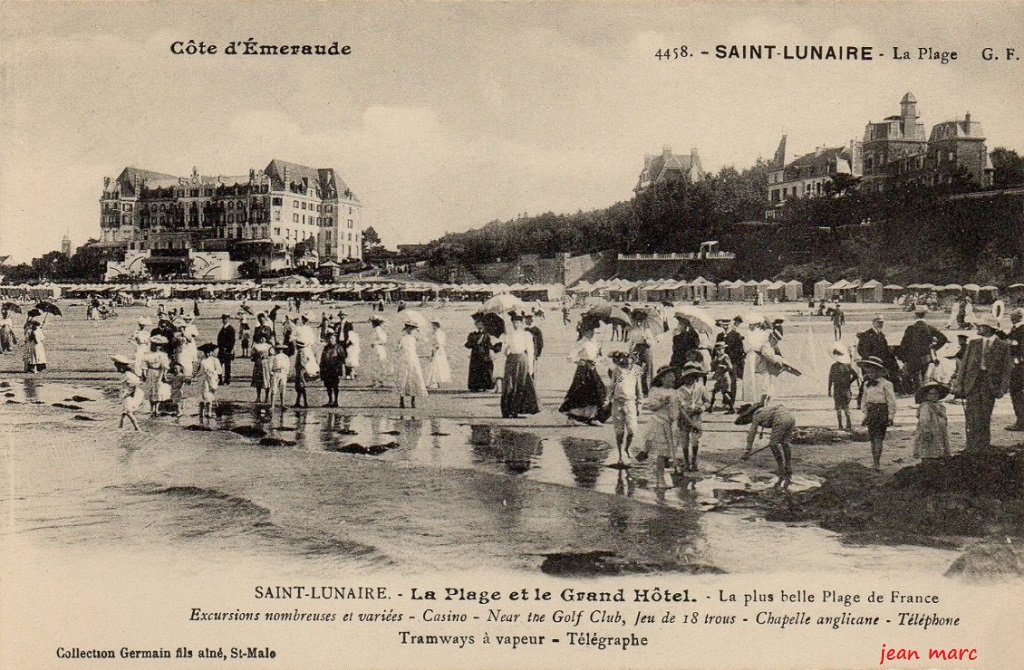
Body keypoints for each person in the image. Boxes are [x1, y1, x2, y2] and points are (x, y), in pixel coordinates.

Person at [951, 314, 1012, 450]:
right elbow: (964, 366)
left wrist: (1003, 388)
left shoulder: (1003, 346)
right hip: (972, 384)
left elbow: (1007, 369)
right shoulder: (973, 344)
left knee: (985, 416)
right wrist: (959, 384)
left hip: (990, 385)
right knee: (971, 415)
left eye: (981, 326)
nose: (978, 328)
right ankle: (971, 447)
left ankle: (983, 446)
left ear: (988, 328)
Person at [639, 367, 680, 488]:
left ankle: (645, 452)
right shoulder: (656, 390)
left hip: (670, 424)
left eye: (673, 376)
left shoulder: (674, 392)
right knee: (661, 453)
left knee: (667, 452)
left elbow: (678, 409)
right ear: (663, 378)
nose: (672, 378)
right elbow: (652, 407)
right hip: (659, 423)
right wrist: (663, 403)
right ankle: (660, 480)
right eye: (670, 376)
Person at [559, 322, 607, 424]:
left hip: (592, 369)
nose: (592, 333)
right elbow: (570, 357)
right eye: (590, 331)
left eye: (593, 331)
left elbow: (599, 358)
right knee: (580, 392)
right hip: (583, 370)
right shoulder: (581, 343)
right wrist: (581, 361)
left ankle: (592, 417)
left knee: (597, 391)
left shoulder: (595, 343)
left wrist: (598, 358)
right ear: (585, 332)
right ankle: (572, 417)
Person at [737, 401, 797, 478]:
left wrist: (747, 450)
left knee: (773, 444)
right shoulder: (763, 410)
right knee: (785, 443)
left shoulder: (756, 415)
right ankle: (788, 468)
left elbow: (752, 433)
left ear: (748, 414)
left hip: (780, 419)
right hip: (791, 417)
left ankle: (781, 468)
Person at [858, 355, 897, 469]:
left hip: (881, 411)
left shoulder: (886, 384)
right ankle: (874, 460)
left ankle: (877, 463)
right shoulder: (866, 384)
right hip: (871, 411)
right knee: (872, 438)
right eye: (867, 370)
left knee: (878, 438)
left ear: (879, 371)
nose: (869, 373)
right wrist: (865, 413)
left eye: (872, 370)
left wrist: (890, 416)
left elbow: (891, 401)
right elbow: (864, 400)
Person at [897, 305, 948, 393]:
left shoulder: (911, 329)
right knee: (925, 374)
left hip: (913, 357)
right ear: (924, 315)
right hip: (926, 356)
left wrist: (902, 357)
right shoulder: (930, 328)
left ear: (915, 315)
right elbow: (943, 339)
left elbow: (903, 344)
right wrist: (934, 348)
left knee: (912, 374)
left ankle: (915, 391)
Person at [500, 312, 539, 418]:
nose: (515, 324)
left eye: (517, 322)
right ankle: (506, 410)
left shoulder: (526, 335)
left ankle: (515, 410)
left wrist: (530, 367)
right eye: (514, 322)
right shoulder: (508, 334)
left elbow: (530, 351)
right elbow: (504, 350)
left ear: (521, 323)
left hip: (522, 360)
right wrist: (506, 348)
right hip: (511, 359)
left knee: (520, 385)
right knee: (508, 385)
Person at [607, 350, 642, 463]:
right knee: (619, 431)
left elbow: (639, 388)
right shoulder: (617, 370)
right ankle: (620, 454)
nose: (626, 360)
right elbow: (612, 385)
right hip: (618, 402)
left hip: (631, 402)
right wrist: (608, 398)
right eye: (624, 358)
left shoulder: (636, 370)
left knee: (632, 430)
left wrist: (640, 404)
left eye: (629, 358)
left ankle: (627, 448)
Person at [677, 362, 708, 472]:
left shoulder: (701, 388)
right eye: (687, 378)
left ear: (695, 378)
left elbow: (707, 402)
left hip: (696, 417)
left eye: (692, 377)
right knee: (684, 441)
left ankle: (694, 460)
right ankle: (686, 462)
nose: (689, 380)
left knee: (695, 440)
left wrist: (702, 408)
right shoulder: (680, 390)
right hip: (684, 418)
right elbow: (679, 407)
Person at [856, 314, 899, 386]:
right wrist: (871, 359)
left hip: (881, 362)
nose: (881, 324)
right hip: (870, 363)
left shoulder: (882, 335)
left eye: (882, 322)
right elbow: (861, 350)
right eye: (878, 322)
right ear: (873, 323)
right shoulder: (866, 335)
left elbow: (885, 349)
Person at [914, 380, 951, 460]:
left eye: (936, 394)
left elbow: (944, 418)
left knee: (939, 450)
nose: (934, 396)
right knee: (928, 451)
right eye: (931, 394)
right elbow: (924, 420)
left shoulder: (940, 407)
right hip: (930, 432)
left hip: (939, 432)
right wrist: (926, 431)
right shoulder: (926, 407)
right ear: (926, 395)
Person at [395, 319, 427, 409]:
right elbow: (397, 348)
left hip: (413, 358)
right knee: (403, 378)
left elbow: (424, 341)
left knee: (414, 377)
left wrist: (420, 332)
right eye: (411, 329)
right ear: (407, 328)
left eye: (414, 329)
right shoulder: (402, 338)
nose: (412, 331)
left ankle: (413, 400)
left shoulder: (414, 338)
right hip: (404, 359)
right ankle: (401, 400)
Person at [827, 344, 858, 431]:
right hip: (846, 389)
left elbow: (830, 378)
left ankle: (840, 425)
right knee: (846, 407)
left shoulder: (833, 367)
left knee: (838, 408)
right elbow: (856, 375)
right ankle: (849, 423)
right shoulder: (847, 366)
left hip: (837, 389)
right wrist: (849, 382)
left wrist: (829, 389)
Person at [628, 310, 658, 396]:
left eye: (641, 320)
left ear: (644, 320)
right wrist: (629, 352)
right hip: (637, 349)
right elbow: (631, 342)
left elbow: (652, 342)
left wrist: (646, 339)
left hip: (646, 349)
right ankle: (637, 389)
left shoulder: (647, 330)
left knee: (647, 370)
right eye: (637, 320)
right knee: (636, 369)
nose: (639, 322)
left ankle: (647, 389)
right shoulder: (633, 330)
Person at [465, 317, 497, 392]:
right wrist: (475, 343)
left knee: (485, 370)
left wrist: (490, 352)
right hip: (475, 355)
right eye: (478, 324)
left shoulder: (486, 334)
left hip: (484, 354)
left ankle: (486, 386)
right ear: (475, 325)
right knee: (475, 370)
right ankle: (475, 386)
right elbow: (468, 344)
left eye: (481, 324)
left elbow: (489, 345)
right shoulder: (472, 334)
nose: (480, 325)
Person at [142, 335, 170, 416]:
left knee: (158, 389)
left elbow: (164, 367)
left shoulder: (162, 355)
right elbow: (144, 365)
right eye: (153, 344)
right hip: (150, 372)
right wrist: (144, 374)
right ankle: (151, 408)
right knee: (151, 389)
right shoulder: (147, 354)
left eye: (157, 345)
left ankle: (156, 409)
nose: (154, 346)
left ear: (160, 346)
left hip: (159, 372)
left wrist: (163, 375)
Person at [113, 355, 143, 431]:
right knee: (125, 411)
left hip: (126, 396)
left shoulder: (127, 375)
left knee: (128, 412)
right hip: (125, 395)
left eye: (118, 368)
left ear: (122, 367)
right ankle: (120, 426)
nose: (117, 370)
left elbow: (136, 384)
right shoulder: (127, 374)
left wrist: (131, 392)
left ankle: (137, 428)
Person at [1006, 309, 1024, 432]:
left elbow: (1016, 347)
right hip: (1017, 364)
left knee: (1016, 392)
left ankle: (1021, 421)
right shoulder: (1015, 329)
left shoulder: (1020, 330)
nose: (1011, 317)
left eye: (1013, 316)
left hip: (1019, 366)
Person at [196, 344, 222, 419]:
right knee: (203, 396)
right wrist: (195, 376)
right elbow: (196, 371)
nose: (207, 354)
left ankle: (209, 412)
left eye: (209, 352)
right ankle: (201, 413)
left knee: (209, 396)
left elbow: (219, 371)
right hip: (202, 380)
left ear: (211, 352)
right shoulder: (201, 360)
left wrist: (212, 372)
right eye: (206, 352)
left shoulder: (215, 360)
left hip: (212, 380)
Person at [708, 342, 735, 413]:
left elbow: (730, 367)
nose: (718, 351)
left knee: (724, 393)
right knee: (714, 392)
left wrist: (723, 366)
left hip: (724, 377)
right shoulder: (716, 357)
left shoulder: (725, 356)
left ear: (723, 349)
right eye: (717, 350)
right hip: (719, 377)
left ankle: (732, 408)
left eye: (720, 349)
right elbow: (712, 367)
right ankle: (710, 407)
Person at [426, 321, 453, 389]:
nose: (432, 327)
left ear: (437, 326)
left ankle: (435, 382)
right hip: (435, 349)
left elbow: (440, 342)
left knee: (437, 365)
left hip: (439, 350)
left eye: (433, 325)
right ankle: (434, 382)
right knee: (434, 365)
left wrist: (436, 347)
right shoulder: (434, 333)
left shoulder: (440, 333)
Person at [320, 331, 343, 407]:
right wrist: (321, 367)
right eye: (329, 338)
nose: (331, 340)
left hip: (335, 369)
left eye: (332, 338)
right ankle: (330, 401)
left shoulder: (338, 347)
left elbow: (342, 358)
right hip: (327, 369)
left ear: (335, 339)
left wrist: (339, 369)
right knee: (328, 385)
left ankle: (336, 401)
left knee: (335, 386)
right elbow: (323, 358)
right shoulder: (326, 347)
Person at [250, 335, 273, 403]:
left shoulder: (269, 346)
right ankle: (258, 397)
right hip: (258, 364)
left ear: (266, 338)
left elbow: (272, 355)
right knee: (258, 380)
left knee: (266, 380)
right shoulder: (256, 346)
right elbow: (252, 357)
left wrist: (266, 356)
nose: (262, 339)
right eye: (261, 337)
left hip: (266, 364)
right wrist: (257, 356)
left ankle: (266, 397)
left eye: (264, 337)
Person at [369, 316, 391, 387]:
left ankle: (379, 381)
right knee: (376, 364)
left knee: (378, 364)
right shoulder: (379, 329)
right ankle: (376, 381)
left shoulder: (378, 329)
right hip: (377, 348)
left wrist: (374, 343)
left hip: (378, 348)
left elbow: (383, 340)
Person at [269, 344, 291, 411]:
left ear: (282, 350)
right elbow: (270, 366)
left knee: (283, 388)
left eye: (280, 349)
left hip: (283, 373)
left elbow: (288, 365)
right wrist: (271, 373)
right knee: (274, 389)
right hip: (276, 373)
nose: (279, 350)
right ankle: (272, 405)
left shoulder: (286, 357)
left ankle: (282, 404)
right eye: (278, 349)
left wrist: (287, 372)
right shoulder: (273, 357)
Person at [216, 314, 236, 384]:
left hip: (227, 350)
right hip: (221, 349)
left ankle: (227, 379)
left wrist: (228, 348)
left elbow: (232, 341)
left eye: (226, 319)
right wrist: (220, 346)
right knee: (219, 365)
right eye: (223, 319)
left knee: (227, 365)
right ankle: (220, 379)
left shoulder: (231, 329)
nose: (224, 320)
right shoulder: (223, 328)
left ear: (228, 319)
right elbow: (219, 339)